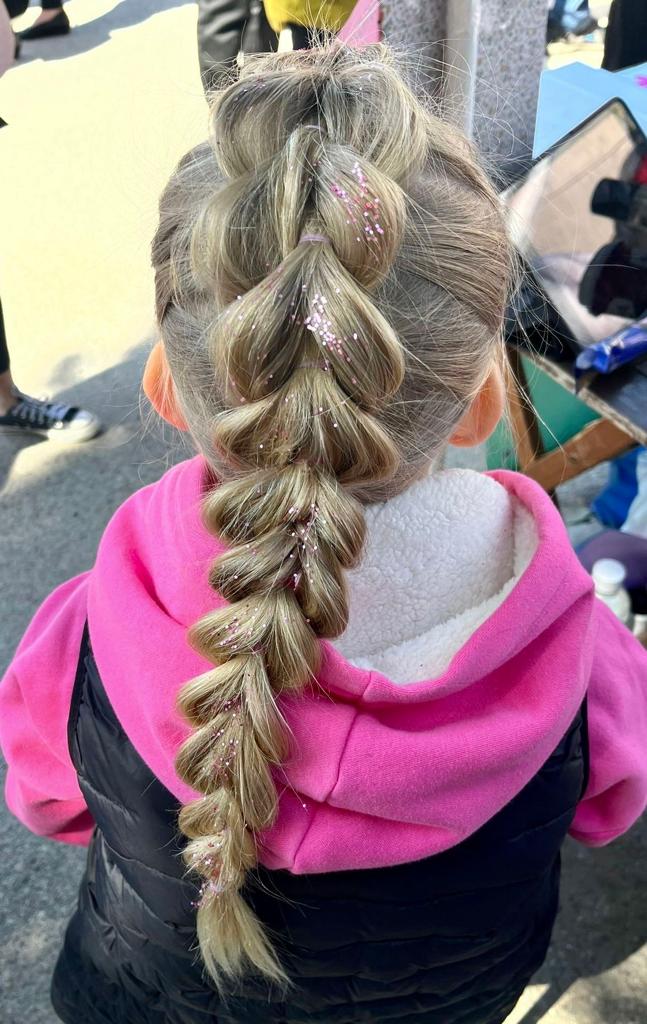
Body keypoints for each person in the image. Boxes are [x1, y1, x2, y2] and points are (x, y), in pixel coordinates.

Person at [1, 43, 646, 1024]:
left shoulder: (88, 629)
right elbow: (604, 811)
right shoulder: (584, 656)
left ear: (165, 387)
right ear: (482, 402)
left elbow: (47, 800)